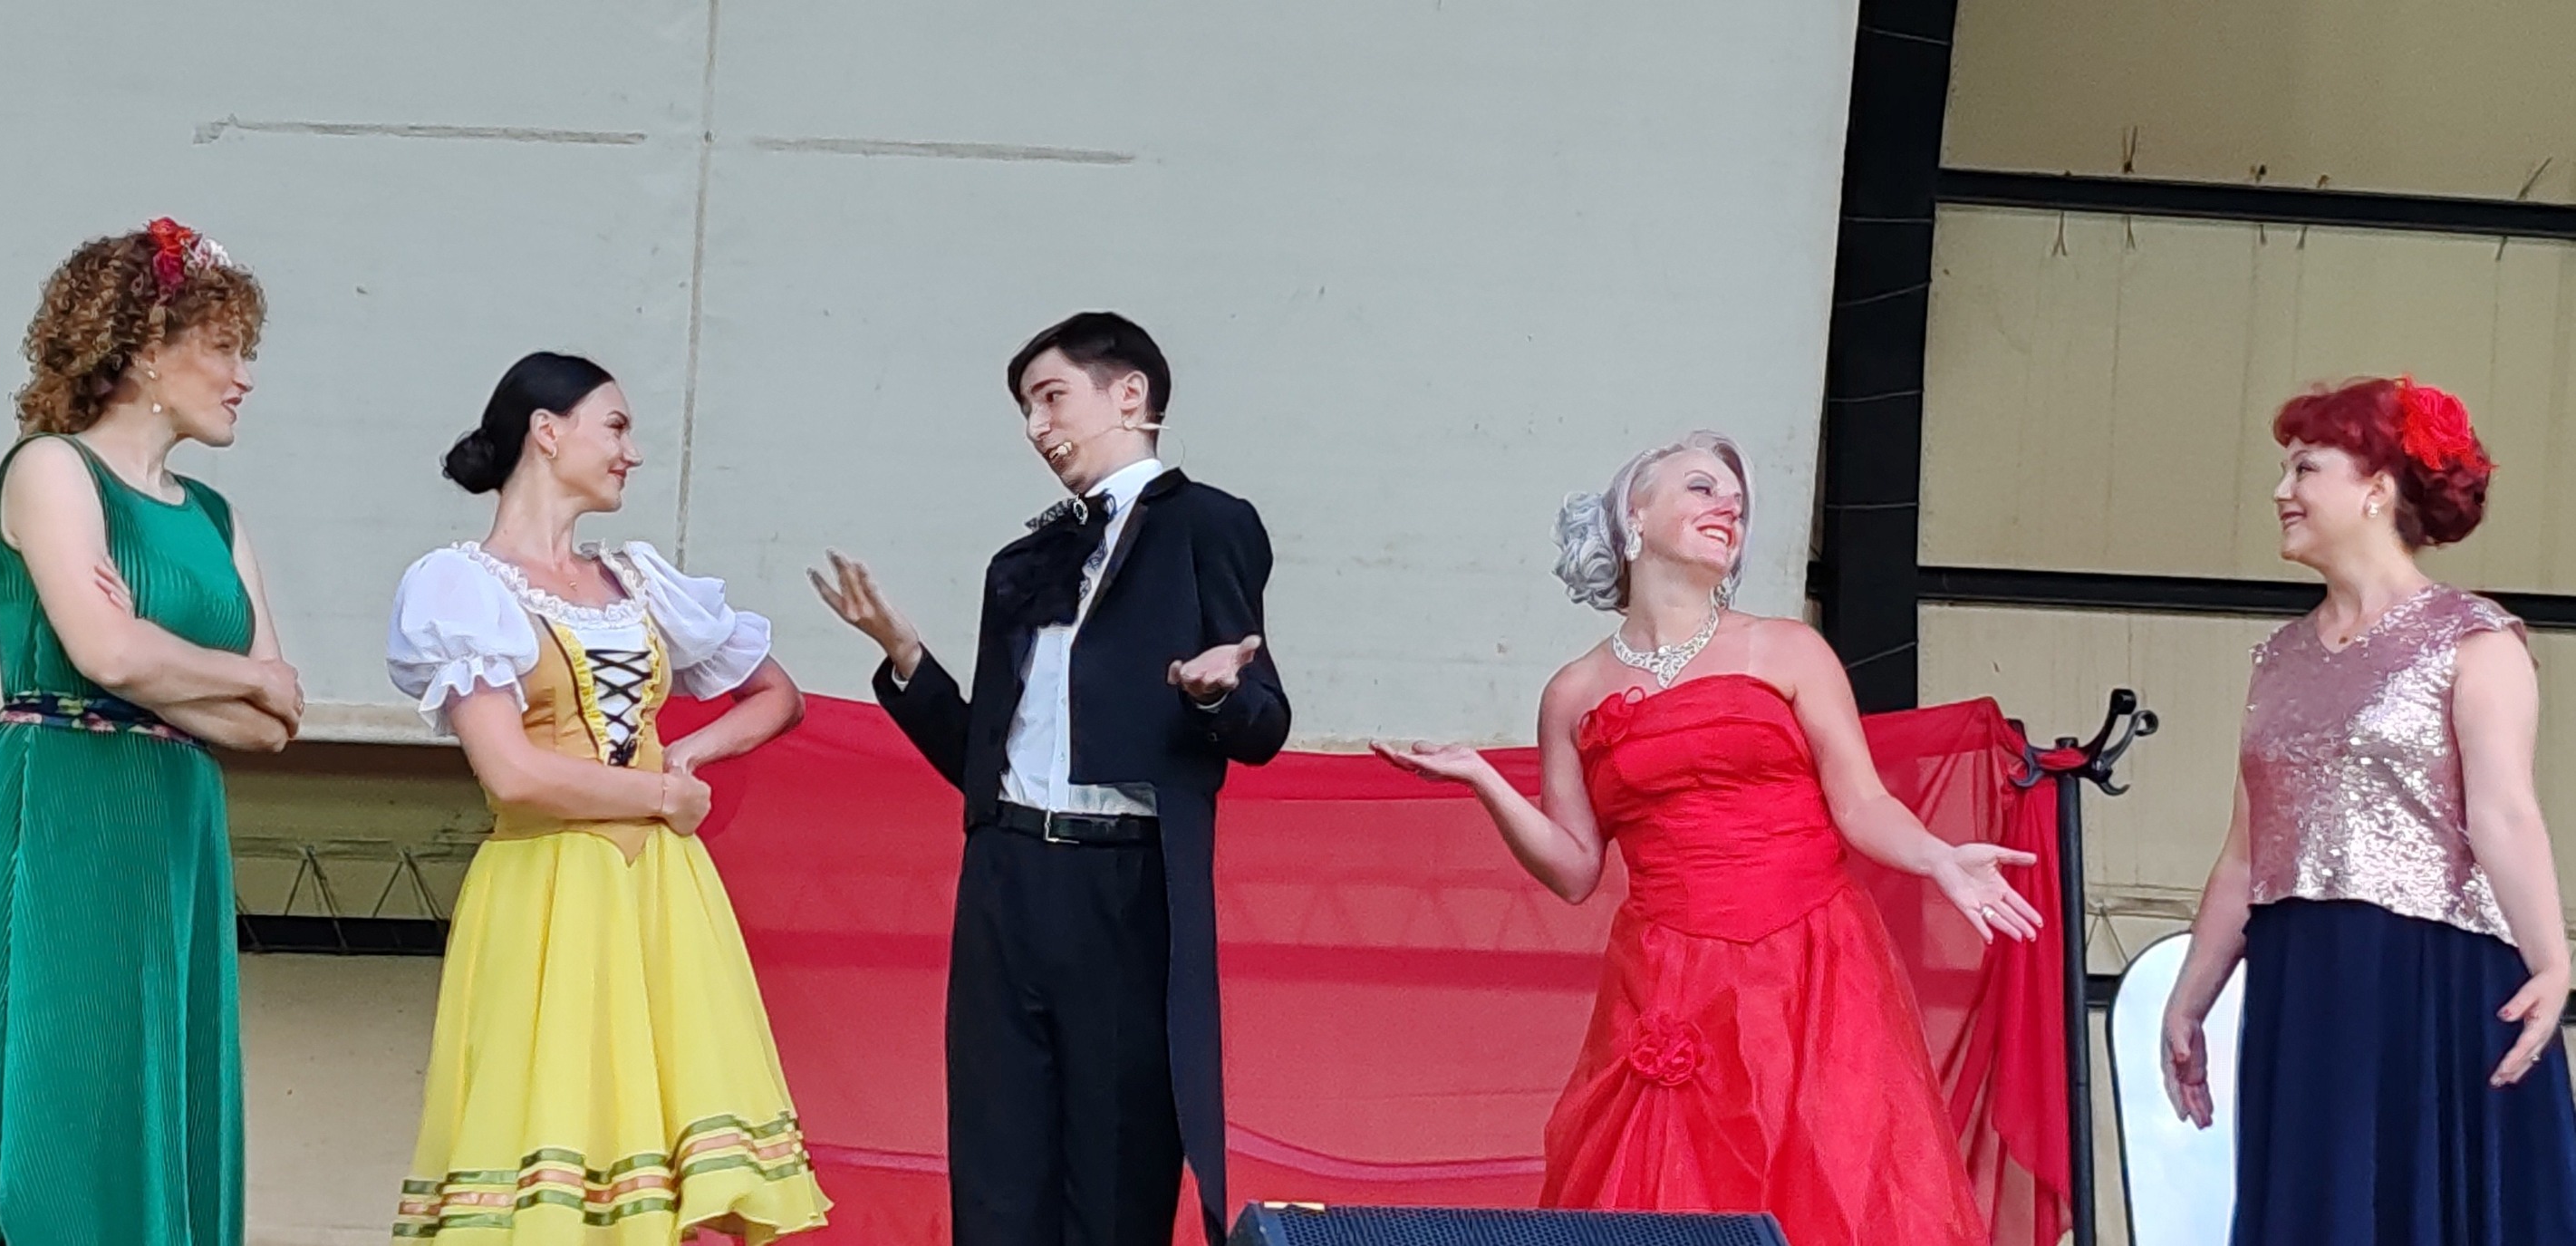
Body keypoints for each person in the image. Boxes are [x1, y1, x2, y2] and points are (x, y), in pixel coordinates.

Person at [1371, 431, 2040, 1245]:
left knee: (1830, 1184)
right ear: (1634, 513)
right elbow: (1575, 868)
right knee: (1664, 1195)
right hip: (1669, 981)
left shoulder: (1786, 648)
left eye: (1738, 501)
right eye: (1700, 487)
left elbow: (1861, 800)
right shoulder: (1574, 691)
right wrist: (1483, 778)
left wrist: (1940, 857)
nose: (1728, 506)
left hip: (1809, 965)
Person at [811, 312, 1287, 1246]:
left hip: (1125, 879)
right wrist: (904, 657)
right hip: (1005, 875)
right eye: (1026, 409)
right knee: (997, 1155)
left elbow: (1263, 722)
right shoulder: (1023, 562)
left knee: (1115, 1165)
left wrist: (1215, 693)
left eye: (1051, 397)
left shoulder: (1209, 524)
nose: (1037, 427)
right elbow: (980, 763)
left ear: (1130, 394)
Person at [0, 218, 302, 1246]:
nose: (243, 376)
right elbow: (111, 654)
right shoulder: (50, 470)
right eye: (222, 347)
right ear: (143, 351)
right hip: (69, 795)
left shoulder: (213, 517)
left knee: (156, 1060)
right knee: (58, 1068)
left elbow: (274, 722)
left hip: (174, 814)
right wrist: (230, 672)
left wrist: (157, 661)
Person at [386, 353, 831, 1243]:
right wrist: (659, 792)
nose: (632, 451)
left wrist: (687, 755)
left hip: (663, 893)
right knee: (555, 1132)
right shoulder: (461, 584)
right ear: (547, 432)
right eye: (617, 426)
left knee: (665, 1156)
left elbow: (775, 696)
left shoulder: (636, 580)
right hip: (548, 888)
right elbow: (511, 772)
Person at [2160, 377, 2576, 1244]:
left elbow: (2505, 813)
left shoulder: (2473, 638)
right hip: (2303, 984)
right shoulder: (2279, 658)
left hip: (2431, 981)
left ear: (2377, 489)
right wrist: (2189, 999)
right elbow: (2247, 849)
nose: (2281, 490)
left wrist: (2552, 963)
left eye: (2305, 468)